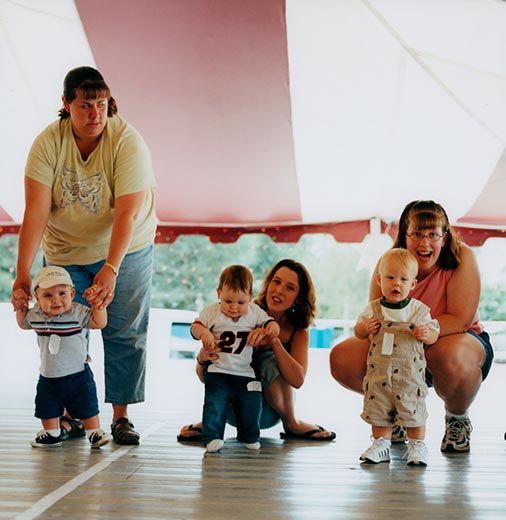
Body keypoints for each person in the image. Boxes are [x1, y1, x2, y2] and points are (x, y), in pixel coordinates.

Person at [11, 66, 157, 445]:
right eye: (85, 105)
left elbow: (127, 212)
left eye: (102, 104)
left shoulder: (128, 142)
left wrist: (111, 267)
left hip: (128, 246)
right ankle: (72, 414)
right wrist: (22, 273)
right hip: (66, 250)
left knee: (124, 329)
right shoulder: (47, 144)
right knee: (67, 327)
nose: (95, 114)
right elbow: (36, 212)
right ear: (66, 105)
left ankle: (121, 416)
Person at [330, 200, 494, 453]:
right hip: (399, 345)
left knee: (451, 354)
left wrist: (422, 333)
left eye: (432, 234)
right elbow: (379, 312)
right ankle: (393, 412)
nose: (424, 243)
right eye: (416, 234)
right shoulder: (389, 262)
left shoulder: (462, 256)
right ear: (403, 235)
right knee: (341, 357)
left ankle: (457, 418)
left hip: (454, 339)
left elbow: (460, 319)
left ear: (445, 236)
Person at [178, 259, 336, 442]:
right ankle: (211, 422)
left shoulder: (298, 330)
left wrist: (274, 342)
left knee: (269, 360)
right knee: (224, 363)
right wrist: (202, 357)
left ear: (298, 297)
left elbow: (298, 380)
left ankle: (292, 423)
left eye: (290, 287)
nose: (279, 290)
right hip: (232, 408)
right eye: (276, 282)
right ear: (268, 284)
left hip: (269, 411)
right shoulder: (241, 308)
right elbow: (201, 373)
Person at [356, 249, 439, 465]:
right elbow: (358, 331)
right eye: (390, 278)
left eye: (403, 279)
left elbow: (434, 333)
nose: (396, 284)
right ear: (379, 279)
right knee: (378, 410)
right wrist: (365, 328)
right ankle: (381, 444)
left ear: (413, 284)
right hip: (379, 375)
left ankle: (417, 446)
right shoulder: (373, 309)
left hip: (409, 376)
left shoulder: (418, 310)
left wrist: (426, 334)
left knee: (413, 408)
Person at [15, 266, 110, 449]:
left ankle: (94, 432)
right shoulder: (35, 314)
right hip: (48, 375)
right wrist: (21, 308)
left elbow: (99, 323)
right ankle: (52, 433)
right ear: (37, 298)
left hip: (77, 373)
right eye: (48, 295)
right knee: (46, 405)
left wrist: (97, 305)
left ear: (72, 294)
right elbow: (23, 324)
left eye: (61, 293)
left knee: (86, 403)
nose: (56, 300)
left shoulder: (77, 313)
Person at [192, 265, 280, 452]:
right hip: (218, 370)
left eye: (240, 302)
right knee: (215, 405)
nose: (233, 307)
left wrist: (271, 329)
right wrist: (204, 333)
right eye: (228, 301)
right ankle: (212, 437)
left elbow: (271, 323)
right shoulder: (212, 312)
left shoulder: (254, 312)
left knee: (252, 404)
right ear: (218, 294)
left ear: (249, 296)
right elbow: (195, 327)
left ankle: (249, 436)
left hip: (245, 372)